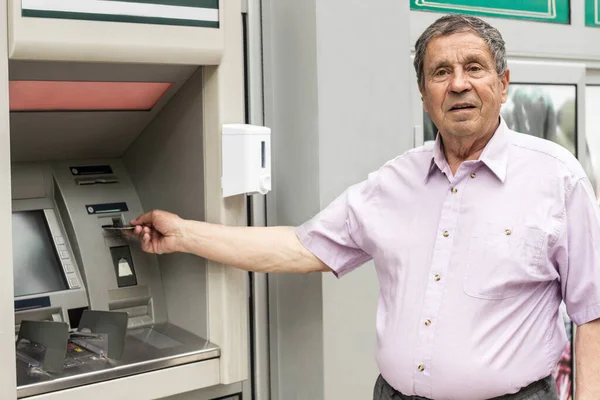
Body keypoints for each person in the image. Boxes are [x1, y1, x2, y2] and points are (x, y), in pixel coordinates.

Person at [130, 14, 600, 400]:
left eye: (474, 68)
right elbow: (300, 246)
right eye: (440, 73)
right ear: (423, 95)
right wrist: (185, 234)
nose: (458, 84)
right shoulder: (395, 181)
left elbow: (592, 315)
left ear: (503, 84)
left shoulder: (556, 178)